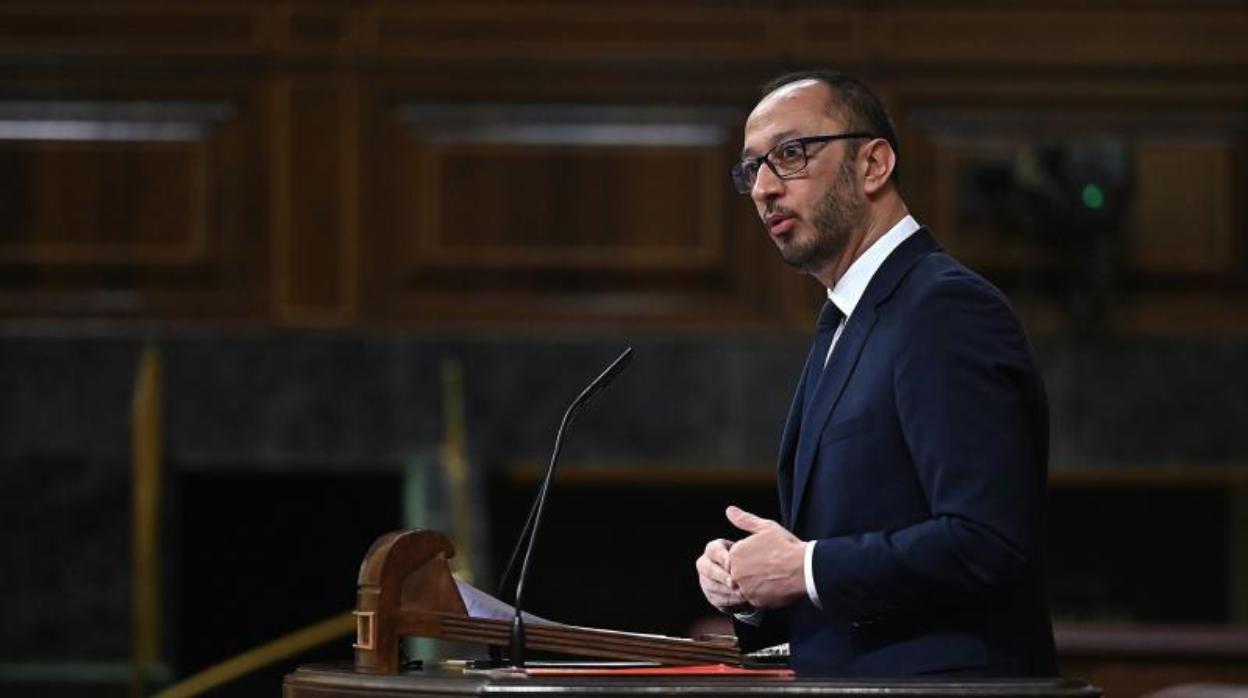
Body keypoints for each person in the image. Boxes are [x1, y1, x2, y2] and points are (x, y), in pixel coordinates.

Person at [695, 70, 1058, 677]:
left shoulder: (943, 308)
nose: (763, 188)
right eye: (752, 168)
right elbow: (852, 559)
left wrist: (805, 567)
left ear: (874, 165)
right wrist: (755, 585)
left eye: (790, 154)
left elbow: (987, 541)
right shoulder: (846, 319)